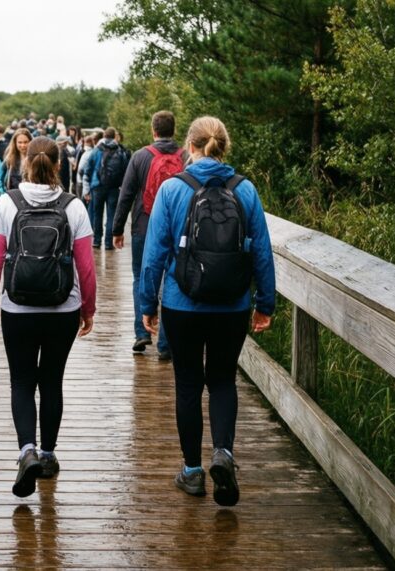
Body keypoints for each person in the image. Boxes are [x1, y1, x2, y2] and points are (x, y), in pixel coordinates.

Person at [139, 116, 275, 506]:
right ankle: (224, 455)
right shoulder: (245, 190)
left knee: (187, 384)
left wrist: (149, 305)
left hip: (182, 305)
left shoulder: (172, 189)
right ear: (224, 147)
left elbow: (154, 256)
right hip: (232, 305)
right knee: (221, 381)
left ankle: (193, 472)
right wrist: (264, 303)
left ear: (190, 147)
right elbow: (262, 252)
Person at [0, 136, 97, 498]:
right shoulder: (73, 206)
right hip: (63, 307)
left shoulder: (7, 203)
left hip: (17, 308)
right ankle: (47, 454)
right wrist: (88, 310)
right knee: (51, 381)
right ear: (59, 165)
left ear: (24, 162)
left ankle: (26, 450)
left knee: (21, 382)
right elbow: (87, 267)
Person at [112, 111, 187, 361]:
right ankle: (166, 344)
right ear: (174, 130)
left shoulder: (140, 156)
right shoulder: (186, 157)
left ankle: (141, 332)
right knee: (171, 283)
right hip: (178, 231)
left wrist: (117, 228)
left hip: (144, 227)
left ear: (153, 130)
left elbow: (126, 195)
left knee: (139, 278)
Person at [83, 127, 130, 250]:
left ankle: (97, 241)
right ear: (114, 136)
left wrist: (86, 189)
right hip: (114, 188)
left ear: (104, 136)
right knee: (111, 215)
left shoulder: (96, 150)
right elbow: (125, 170)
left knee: (97, 214)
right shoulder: (120, 151)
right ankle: (109, 243)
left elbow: (87, 170)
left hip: (97, 186)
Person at [0, 127, 32, 195]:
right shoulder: (9, 159)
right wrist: (2, 193)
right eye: (20, 142)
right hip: (12, 197)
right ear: (15, 143)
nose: (23, 145)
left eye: (25, 142)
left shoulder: (35, 160)